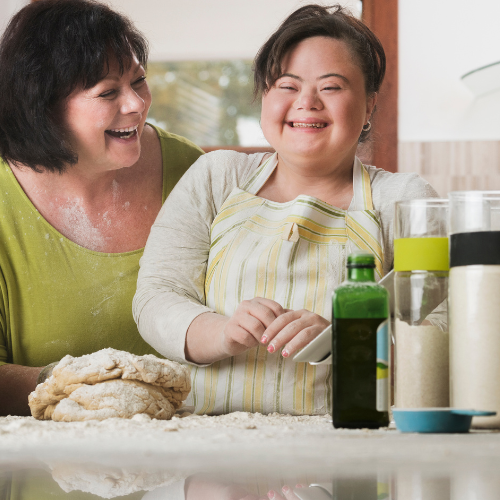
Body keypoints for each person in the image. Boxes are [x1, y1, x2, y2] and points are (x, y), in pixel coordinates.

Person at [133, 4, 438, 415]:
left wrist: (346, 338)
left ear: (368, 106)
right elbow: (156, 296)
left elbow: (442, 328)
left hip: (345, 450)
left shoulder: (405, 200)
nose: (306, 102)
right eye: (287, 85)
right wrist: (222, 332)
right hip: (206, 449)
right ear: (264, 97)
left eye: (331, 87)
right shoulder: (217, 176)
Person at [0, 0, 203, 416]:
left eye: (139, 82)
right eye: (108, 92)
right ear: (44, 107)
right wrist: (67, 383)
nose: (135, 105)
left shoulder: (194, 173)